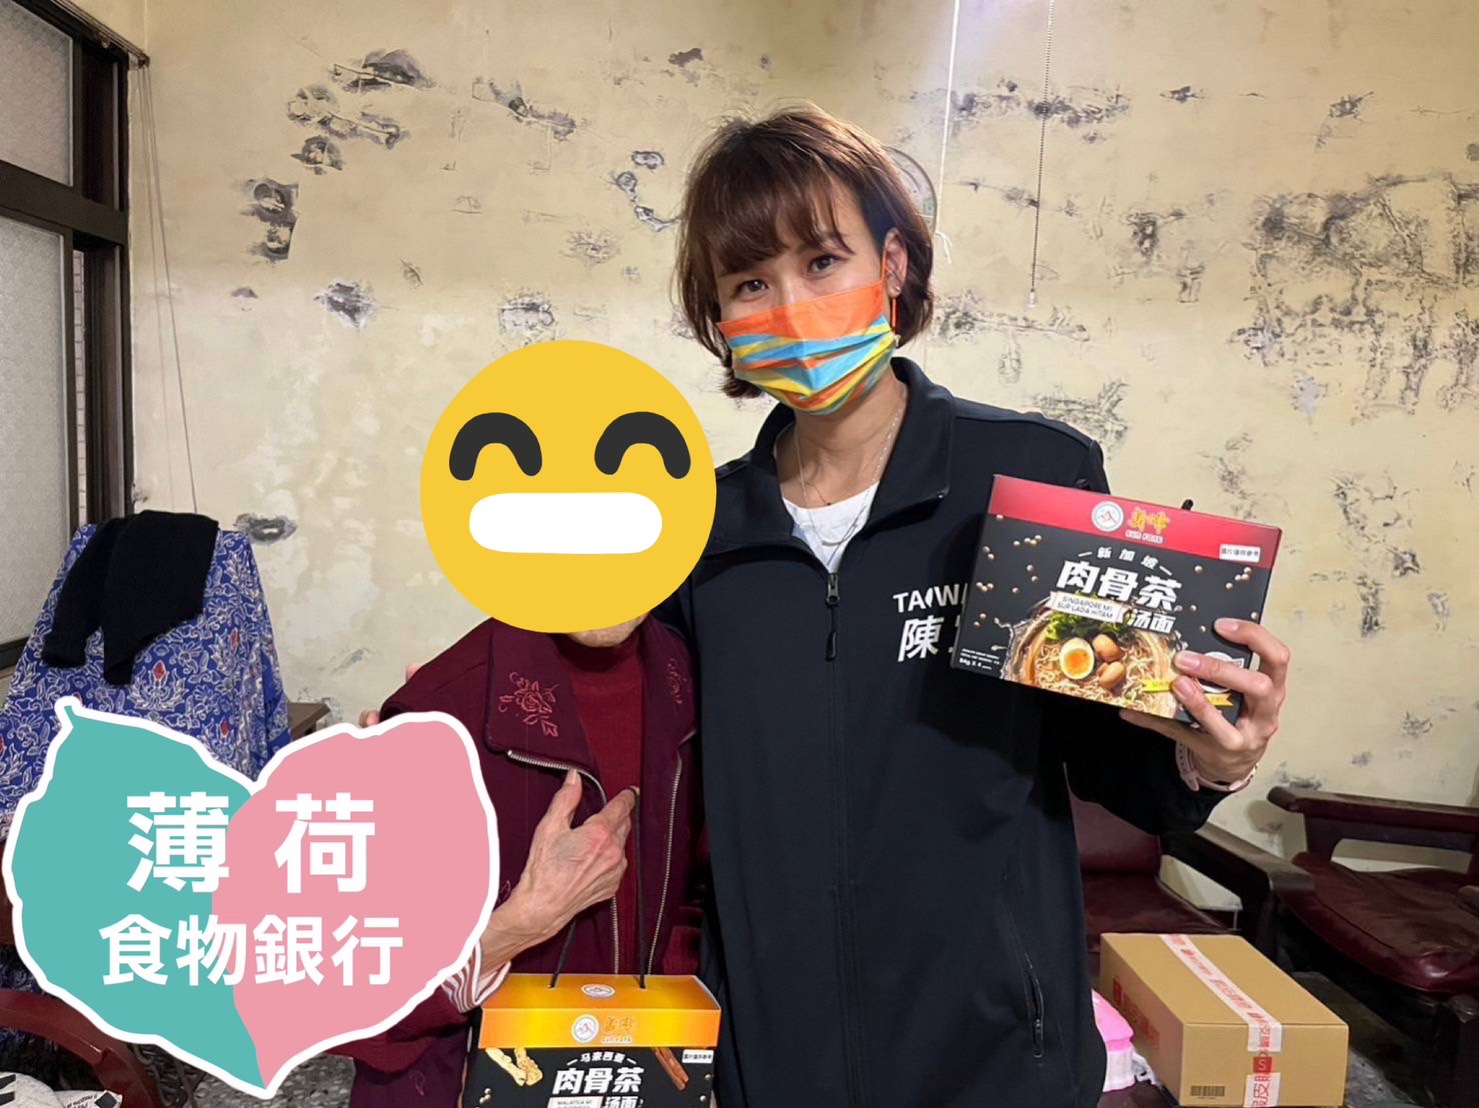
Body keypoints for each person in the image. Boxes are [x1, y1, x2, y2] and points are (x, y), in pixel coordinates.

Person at [656, 106, 1292, 1108]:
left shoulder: (1028, 479)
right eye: (749, 283)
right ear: (721, 319)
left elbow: (1110, 753)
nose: (793, 306)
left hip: (997, 1055)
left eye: (822, 261)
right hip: (774, 1062)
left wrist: (1210, 757)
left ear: (893, 263)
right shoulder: (698, 533)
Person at [337, 613, 703, 1108]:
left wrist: (694, 1053)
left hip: (634, 1076)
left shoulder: (692, 681)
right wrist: (524, 922)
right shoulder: (442, 706)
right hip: (462, 1084)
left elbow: (702, 898)